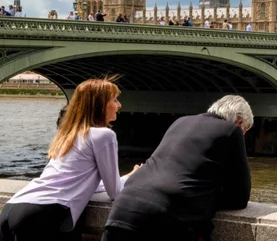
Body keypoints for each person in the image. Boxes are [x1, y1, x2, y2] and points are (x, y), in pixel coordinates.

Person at [0, 78, 139, 241]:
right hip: (44, 213)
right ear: (100, 105)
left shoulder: (68, 135)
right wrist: (133, 179)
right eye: (114, 100)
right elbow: (114, 192)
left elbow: (76, 181)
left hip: (14, 207)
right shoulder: (104, 135)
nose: (119, 105)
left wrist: (125, 177)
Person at [102, 95, 253, 241]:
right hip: (165, 219)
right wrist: (210, 194)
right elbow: (239, 197)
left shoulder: (181, 121)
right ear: (239, 122)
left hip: (122, 210)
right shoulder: (232, 130)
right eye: (245, 131)